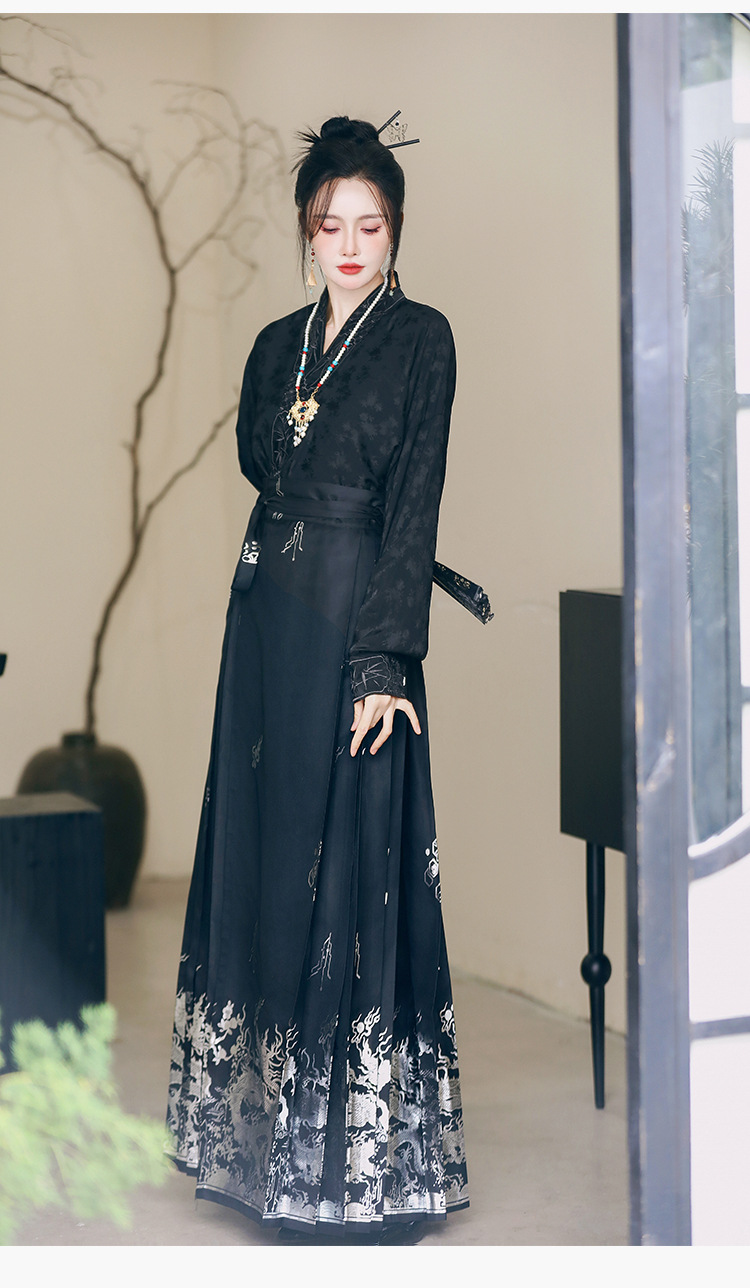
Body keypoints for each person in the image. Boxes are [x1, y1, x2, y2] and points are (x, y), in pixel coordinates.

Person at [165, 114, 491, 1246]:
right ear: (306, 234)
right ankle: (270, 1160)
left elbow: (416, 503)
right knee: (270, 858)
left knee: (350, 865)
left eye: (370, 224)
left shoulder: (423, 340)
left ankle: (355, 1175)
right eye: (329, 225)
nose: (349, 245)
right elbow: (263, 465)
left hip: (358, 626)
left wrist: (386, 659)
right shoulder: (274, 346)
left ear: (395, 231)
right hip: (267, 628)